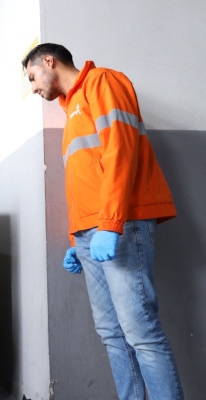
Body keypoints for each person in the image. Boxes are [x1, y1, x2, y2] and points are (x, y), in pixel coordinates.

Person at [23, 43, 184, 399]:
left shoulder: (102, 82)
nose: (33, 87)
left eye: (32, 77)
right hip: (90, 233)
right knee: (111, 332)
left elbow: (121, 152)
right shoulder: (70, 114)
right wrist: (75, 238)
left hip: (119, 225)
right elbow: (85, 182)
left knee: (141, 331)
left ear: (48, 61)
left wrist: (110, 224)